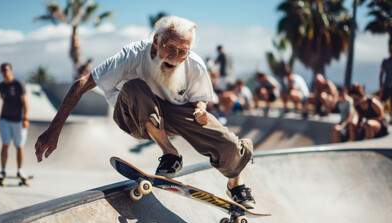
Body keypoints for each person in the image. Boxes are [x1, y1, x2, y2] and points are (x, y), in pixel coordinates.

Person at [35, 16, 256, 209]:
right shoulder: (131, 55)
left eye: (182, 52)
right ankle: (170, 154)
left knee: (225, 140)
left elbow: (201, 98)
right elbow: (82, 84)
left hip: (172, 116)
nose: (174, 56)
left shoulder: (194, 65)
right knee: (134, 86)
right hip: (132, 116)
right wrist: (54, 130)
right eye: (169, 47)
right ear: (156, 41)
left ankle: (235, 186)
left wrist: (200, 110)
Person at [0, 63, 29, 178]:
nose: (5, 72)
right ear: (0, 72)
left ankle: (20, 170)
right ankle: (3, 170)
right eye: (3, 70)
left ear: (11, 70)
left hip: (19, 120)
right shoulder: (1, 86)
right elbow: (4, 103)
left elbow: (25, 102)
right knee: (5, 144)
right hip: (5, 119)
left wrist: (25, 118)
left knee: (19, 146)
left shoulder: (18, 84)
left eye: (6, 70)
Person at [379, 43, 392, 125]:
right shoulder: (386, 61)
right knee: (382, 101)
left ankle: (391, 118)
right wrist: (381, 83)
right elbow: (382, 72)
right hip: (387, 84)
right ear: (391, 51)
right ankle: (380, 115)